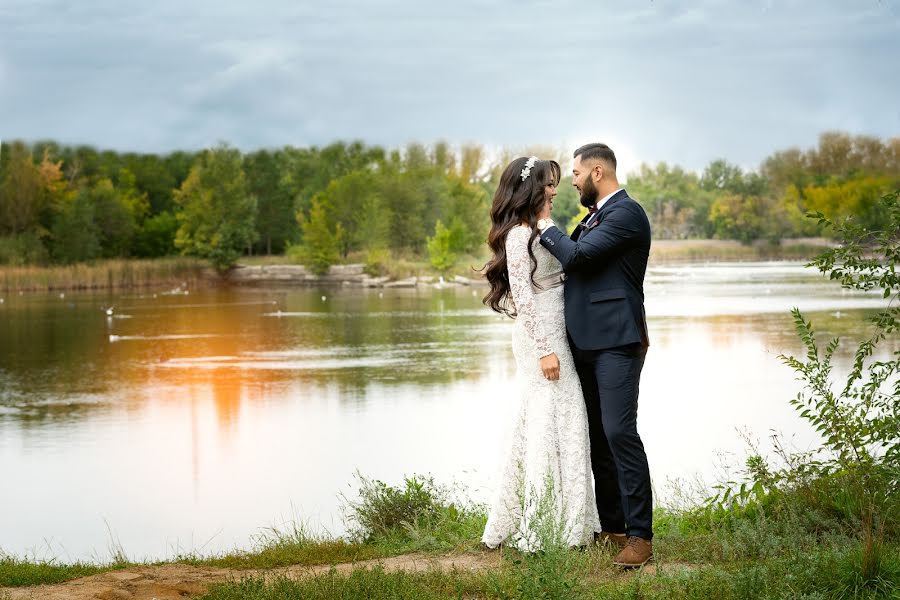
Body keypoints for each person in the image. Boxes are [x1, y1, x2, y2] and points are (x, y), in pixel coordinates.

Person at [536, 143, 653, 568]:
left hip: (617, 342)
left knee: (620, 433)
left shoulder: (627, 213)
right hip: (585, 342)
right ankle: (614, 528)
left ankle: (641, 537)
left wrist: (544, 225)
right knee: (598, 440)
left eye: (576, 173)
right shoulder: (594, 217)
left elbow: (579, 257)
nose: (572, 180)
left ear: (598, 172)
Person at [481, 156, 600, 552]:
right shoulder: (518, 235)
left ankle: (573, 519)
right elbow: (523, 296)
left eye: (555, 184)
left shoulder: (541, 228)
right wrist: (545, 350)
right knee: (549, 420)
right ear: (529, 189)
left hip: (557, 334)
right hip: (541, 340)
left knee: (565, 419)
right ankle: (545, 520)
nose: (553, 191)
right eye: (548, 185)